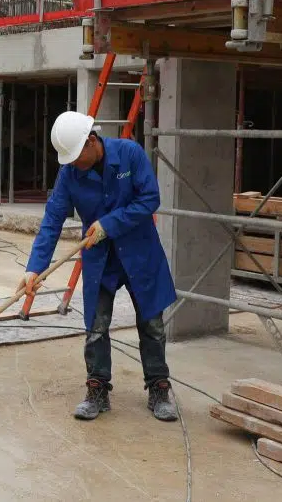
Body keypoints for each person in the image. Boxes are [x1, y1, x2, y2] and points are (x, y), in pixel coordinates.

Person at [20, 111, 177, 422]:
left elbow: (150, 198)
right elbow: (52, 220)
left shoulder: (129, 154)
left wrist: (109, 224)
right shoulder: (70, 173)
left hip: (139, 252)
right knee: (96, 327)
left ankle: (158, 386)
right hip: (101, 259)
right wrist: (34, 268)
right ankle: (97, 389)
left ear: (92, 141)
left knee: (152, 324)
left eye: (77, 156)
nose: (74, 164)